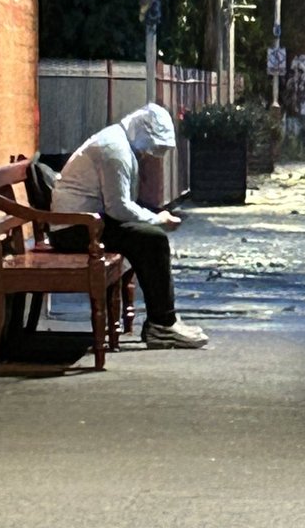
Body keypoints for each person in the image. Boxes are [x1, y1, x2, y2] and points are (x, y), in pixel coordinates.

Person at [49, 103, 208, 349]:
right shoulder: (115, 151)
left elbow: (117, 207)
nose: (148, 155)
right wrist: (158, 219)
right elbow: (119, 208)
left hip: (84, 223)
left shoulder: (118, 142)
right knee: (152, 240)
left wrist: (153, 217)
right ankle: (163, 323)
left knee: (147, 239)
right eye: (150, 147)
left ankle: (163, 320)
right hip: (75, 230)